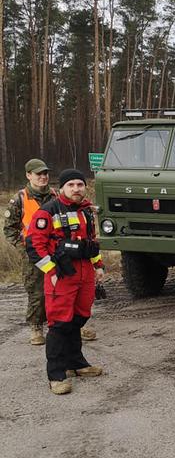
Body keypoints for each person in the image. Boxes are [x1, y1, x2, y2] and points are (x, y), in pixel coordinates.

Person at [25, 169, 105, 395]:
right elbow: (34, 246)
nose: (77, 189)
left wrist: (98, 266)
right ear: (61, 188)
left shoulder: (86, 211)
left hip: (85, 274)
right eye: (71, 185)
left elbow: (91, 242)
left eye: (80, 184)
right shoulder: (47, 212)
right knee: (60, 324)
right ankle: (56, 374)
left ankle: (76, 364)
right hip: (61, 275)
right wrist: (50, 269)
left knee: (80, 317)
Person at [3, 159, 97, 345]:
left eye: (45, 173)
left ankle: (75, 325)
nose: (43, 177)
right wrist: (23, 249)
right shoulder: (20, 199)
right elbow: (9, 229)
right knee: (37, 291)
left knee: (67, 290)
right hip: (33, 253)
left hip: (59, 252)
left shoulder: (58, 195)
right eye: (38, 174)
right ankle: (36, 326)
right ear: (29, 175)